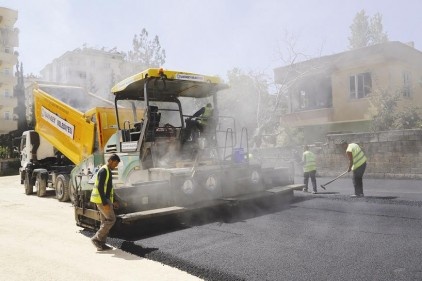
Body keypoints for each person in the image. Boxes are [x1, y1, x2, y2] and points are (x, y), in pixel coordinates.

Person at [90, 153, 121, 251]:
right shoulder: (104, 171)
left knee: (104, 221)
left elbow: (109, 189)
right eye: (115, 163)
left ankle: (101, 244)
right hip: (101, 200)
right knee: (111, 219)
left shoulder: (108, 171)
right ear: (110, 161)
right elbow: (100, 187)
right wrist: (105, 203)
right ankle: (96, 238)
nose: (116, 166)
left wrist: (114, 200)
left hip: (104, 200)